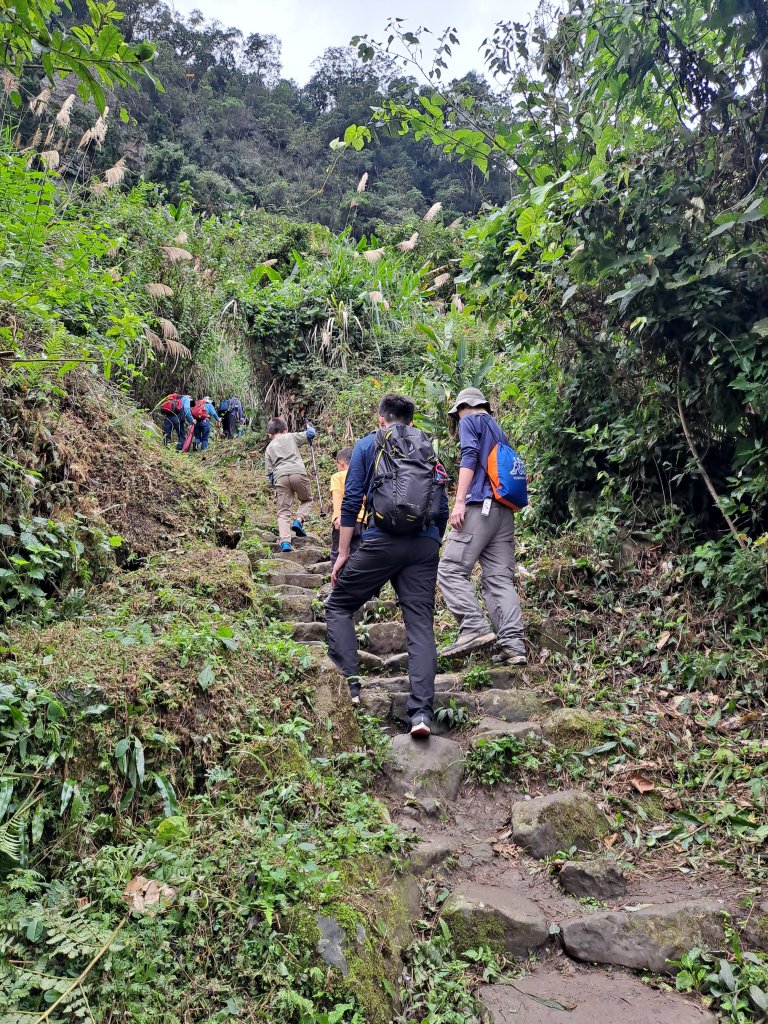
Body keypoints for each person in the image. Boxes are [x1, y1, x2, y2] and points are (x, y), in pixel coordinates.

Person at [325, 394, 448, 737]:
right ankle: (421, 713)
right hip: (424, 543)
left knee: (339, 604)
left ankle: (350, 685)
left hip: (381, 541)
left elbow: (351, 500)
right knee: (420, 625)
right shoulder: (426, 446)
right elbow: (441, 505)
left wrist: (343, 553)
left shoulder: (368, 445)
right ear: (411, 420)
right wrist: (432, 542)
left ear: (381, 419)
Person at [437, 387, 527, 665]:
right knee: (499, 579)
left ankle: (474, 626)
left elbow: (469, 457)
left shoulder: (469, 420)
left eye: (457, 414)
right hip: (504, 511)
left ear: (463, 407)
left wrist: (459, 501)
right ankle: (513, 645)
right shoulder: (498, 429)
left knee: (450, 569)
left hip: (480, 506)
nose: (457, 420)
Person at [262, 418, 316, 553]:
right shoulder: (291, 437)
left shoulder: (269, 448)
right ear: (285, 429)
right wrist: (309, 426)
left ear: (269, 434)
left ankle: (285, 542)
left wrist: (276, 486)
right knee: (307, 500)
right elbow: (311, 434)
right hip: (298, 472)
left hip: (280, 477)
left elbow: (269, 473)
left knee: (283, 512)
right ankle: (298, 520)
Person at [329, 447, 364, 564]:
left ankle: (336, 575)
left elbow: (337, 497)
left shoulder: (337, 476)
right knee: (357, 553)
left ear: (341, 463)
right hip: (361, 521)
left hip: (343, 520)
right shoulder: (362, 476)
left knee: (338, 553)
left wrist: (337, 517)